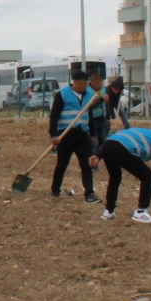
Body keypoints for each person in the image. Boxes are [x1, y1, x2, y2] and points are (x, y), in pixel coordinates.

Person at [48, 67, 102, 204]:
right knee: (62, 164)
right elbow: (54, 115)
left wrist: (92, 133)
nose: (84, 87)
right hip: (65, 135)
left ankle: (89, 194)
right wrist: (53, 134)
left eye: (86, 84)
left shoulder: (88, 96)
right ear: (75, 82)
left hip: (82, 135)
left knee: (86, 165)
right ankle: (55, 190)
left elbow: (89, 114)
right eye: (82, 84)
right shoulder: (62, 95)